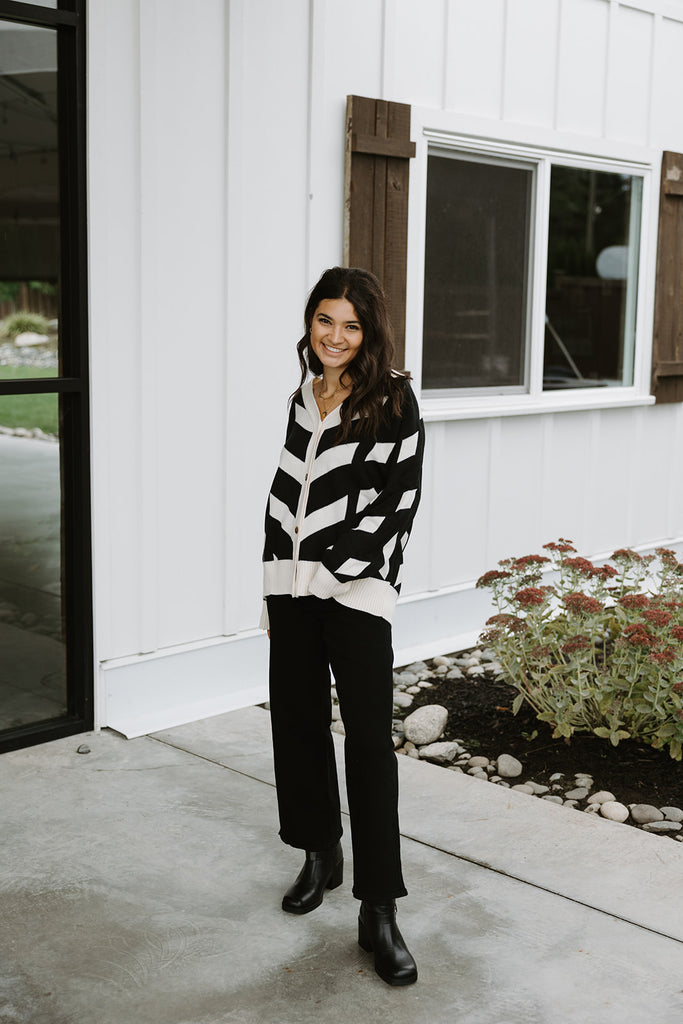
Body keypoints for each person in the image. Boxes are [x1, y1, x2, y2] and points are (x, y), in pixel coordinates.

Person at [261, 266, 425, 987]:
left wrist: (332, 573)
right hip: (290, 591)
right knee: (296, 725)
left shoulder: (393, 399)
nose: (335, 336)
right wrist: (275, 588)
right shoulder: (302, 396)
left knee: (367, 747)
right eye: (324, 320)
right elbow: (285, 494)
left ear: (369, 332)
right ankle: (319, 851)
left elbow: (399, 503)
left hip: (355, 595)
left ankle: (378, 909)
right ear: (310, 323)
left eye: (350, 325)